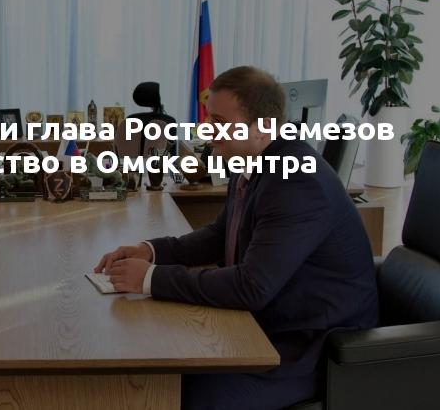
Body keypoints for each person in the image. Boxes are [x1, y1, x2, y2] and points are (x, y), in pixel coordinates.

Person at [94, 66, 378, 410]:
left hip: (306, 352)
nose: (207, 131)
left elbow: (251, 287)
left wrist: (151, 279)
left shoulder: (296, 182)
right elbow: (219, 235)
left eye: (219, 122)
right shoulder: (255, 162)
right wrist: (151, 251)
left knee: (182, 390)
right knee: (159, 362)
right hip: (267, 327)